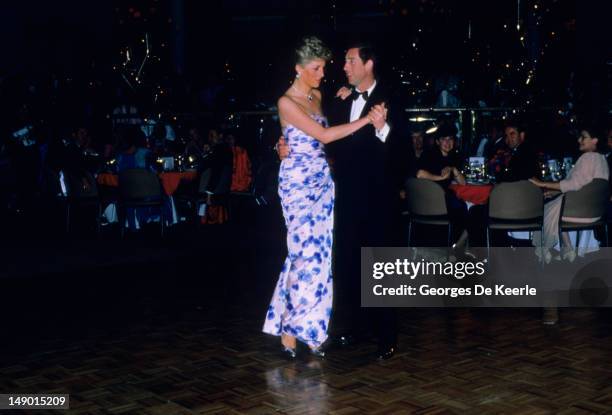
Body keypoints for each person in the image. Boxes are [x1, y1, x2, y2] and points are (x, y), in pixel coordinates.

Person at [263, 37, 385, 358]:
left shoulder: (319, 96)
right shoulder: (285, 102)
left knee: (319, 257)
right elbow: (325, 135)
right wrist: (367, 120)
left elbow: (324, 136)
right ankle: (289, 330)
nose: (322, 73)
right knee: (302, 254)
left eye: (324, 67)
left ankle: (313, 330)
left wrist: (345, 100)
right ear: (299, 69)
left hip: (322, 182)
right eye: (316, 68)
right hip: (297, 184)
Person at [529, 126, 609, 264]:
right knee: (556, 202)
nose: (579, 140)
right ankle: (568, 248)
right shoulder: (602, 159)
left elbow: (573, 184)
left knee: (546, 209)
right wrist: (556, 191)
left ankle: (548, 252)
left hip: (577, 211)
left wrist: (543, 184)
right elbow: (584, 187)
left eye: (583, 137)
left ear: (595, 140)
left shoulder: (588, 157)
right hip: (595, 213)